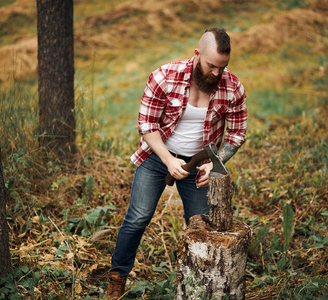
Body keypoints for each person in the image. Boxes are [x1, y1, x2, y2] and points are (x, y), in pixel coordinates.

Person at [104, 27, 247, 299]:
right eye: (211, 66)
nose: (217, 73)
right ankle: (117, 277)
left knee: (201, 226)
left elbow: (237, 133)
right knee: (137, 218)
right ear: (196, 54)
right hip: (158, 157)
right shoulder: (164, 77)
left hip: (199, 165)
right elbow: (146, 126)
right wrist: (168, 160)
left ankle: (199, 286)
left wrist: (215, 165)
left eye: (223, 67)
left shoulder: (232, 87)